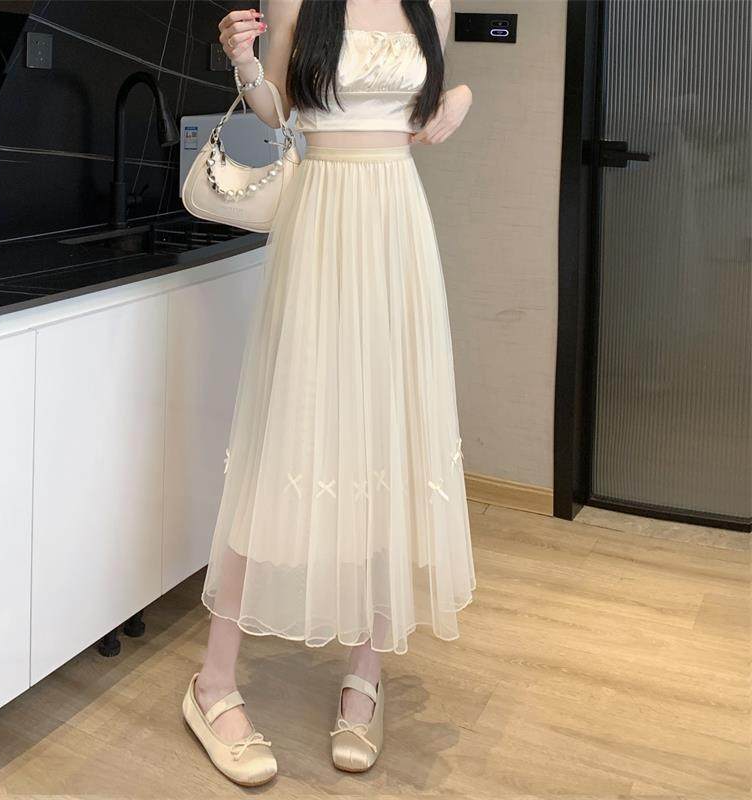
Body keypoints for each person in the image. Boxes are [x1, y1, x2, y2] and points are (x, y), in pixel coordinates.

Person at [181, 0, 476, 786]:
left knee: (384, 436)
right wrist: (245, 64)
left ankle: (365, 674)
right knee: (286, 433)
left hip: (397, 222)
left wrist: (461, 96)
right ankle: (213, 681)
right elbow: (279, 110)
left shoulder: (433, 4)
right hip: (320, 219)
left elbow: (424, 107)